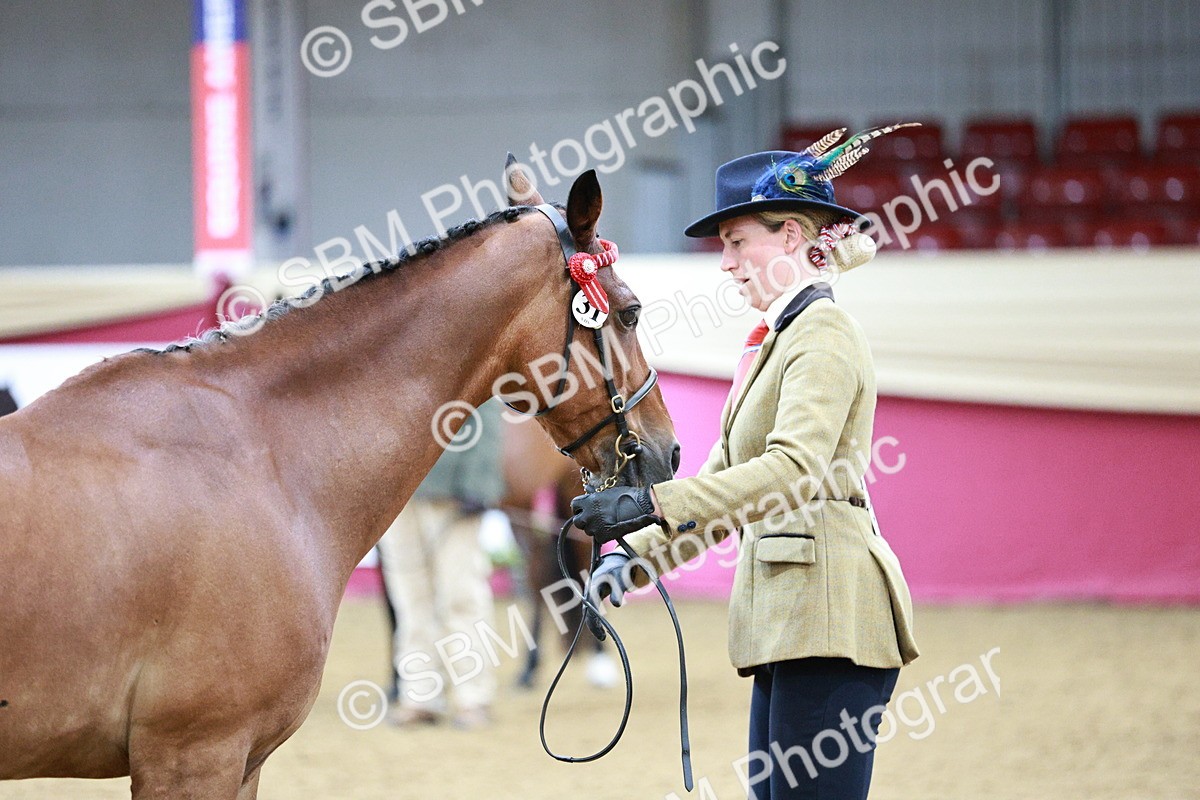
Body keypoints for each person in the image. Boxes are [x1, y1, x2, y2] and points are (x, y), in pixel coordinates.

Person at [571, 126, 921, 799]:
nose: (726, 263)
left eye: (736, 242)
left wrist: (650, 502)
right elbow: (725, 485)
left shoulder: (823, 333)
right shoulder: (776, 341)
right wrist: (632, 559)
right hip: (794, 622)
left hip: (830, 616)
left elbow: (794, 470)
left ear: (789, 236)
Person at [376, 399, 505, 730]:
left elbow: (485, 407)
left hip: (452, 494)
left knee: (461, 597)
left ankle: (473, 697)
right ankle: (419, 696)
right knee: (409, 600)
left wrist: (478, 483)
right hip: (393, 492)